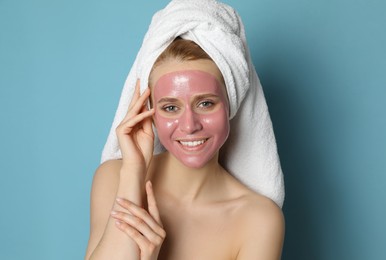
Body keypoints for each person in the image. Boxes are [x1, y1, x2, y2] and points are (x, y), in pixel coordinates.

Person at [86, 1, 284, 259]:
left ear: (230, 105)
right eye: (170, 107)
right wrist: (133, 173)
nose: (190, 125)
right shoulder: (114, 178)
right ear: (149, 112)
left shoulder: (259, 220)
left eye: (205, 103)